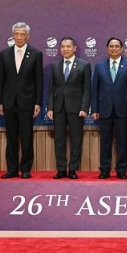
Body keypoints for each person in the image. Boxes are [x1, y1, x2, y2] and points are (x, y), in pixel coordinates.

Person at [0, 22, 43, 179]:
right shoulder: (4, 54)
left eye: (22, 34)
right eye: (16, 34)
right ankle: (11, 169)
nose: (18, 37)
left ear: (27, 36)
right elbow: (1, 80)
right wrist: (0, 102)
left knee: (26, 137)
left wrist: (38, 102)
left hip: (27, 102)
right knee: (11, 137)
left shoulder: (36, 54)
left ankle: (25, 169)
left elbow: (39, 81)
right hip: (9, 102)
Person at [91, 37, 127, 179]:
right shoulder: (99, 66)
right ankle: (104, 170)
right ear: (107, 49)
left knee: (122, 142)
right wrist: (95, 109)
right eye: (111, 46)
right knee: (105, 142)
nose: (114, 48)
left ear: (122, 49)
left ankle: (121, 170)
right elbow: (95, 89)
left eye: (117, 46)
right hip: (104, 110)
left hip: (123, 110)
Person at [46, 37, 91, 180]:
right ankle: (61, 169)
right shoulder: (55, 65)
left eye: (68, 46)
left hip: (77, 109)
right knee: (59, 140)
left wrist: (84, 107)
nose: (65, 49)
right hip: (58, 108)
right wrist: (50, 108)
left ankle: (72, 169)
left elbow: (87, 89)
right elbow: (51, 88)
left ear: (74, 48)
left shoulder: (84, 65)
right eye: (63, 47)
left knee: (76, 140)